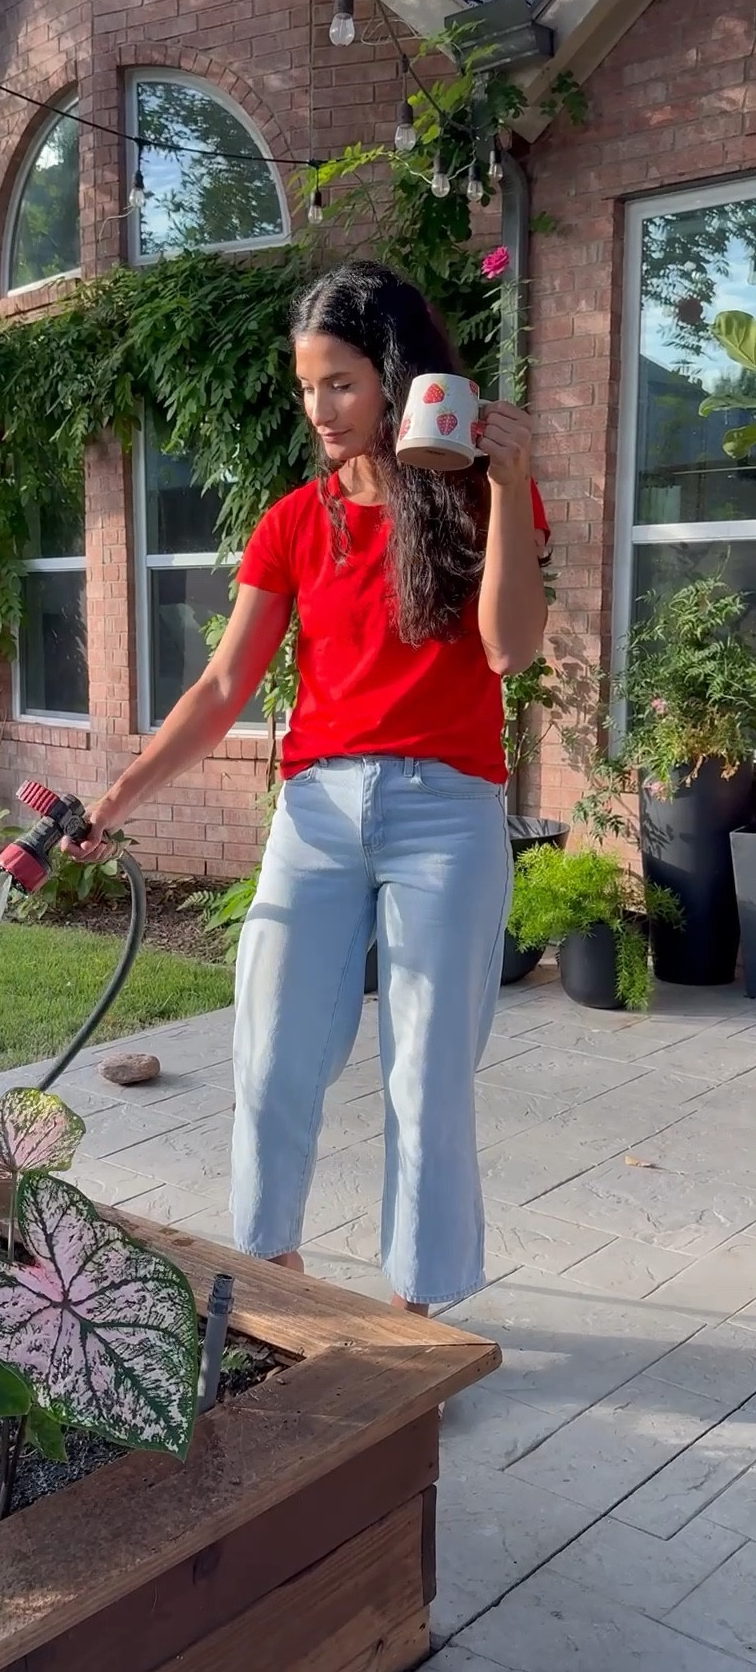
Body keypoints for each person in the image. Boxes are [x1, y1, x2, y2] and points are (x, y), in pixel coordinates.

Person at [68, 260, 549, 1312]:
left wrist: (509, 487)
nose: (320, 409)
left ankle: (416, 1315)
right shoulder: (294, 522)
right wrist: (114, 803)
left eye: (339, 382)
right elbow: (221, 684)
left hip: (445, 815)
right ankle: (269, 1278)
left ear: (393, 378)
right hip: (317, 815)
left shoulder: (476, 497)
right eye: (306, 388)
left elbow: (511, 649)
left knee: (425, 1078)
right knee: (273, 1052)